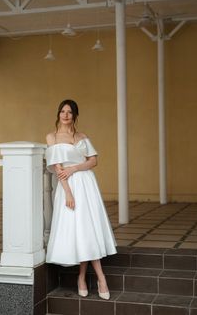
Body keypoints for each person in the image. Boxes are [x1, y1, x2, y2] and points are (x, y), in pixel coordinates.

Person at [45, 99, 117, 300]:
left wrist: (74, 168)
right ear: (58, 114)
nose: (65, 115)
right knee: (81, 230)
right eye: (62, 111)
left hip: (87, 185)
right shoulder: (52, 137)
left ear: (75, 115)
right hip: (69, 188)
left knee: (88, 229)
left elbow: (94, 160)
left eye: (69, 112)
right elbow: (58, 168)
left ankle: (83, 277)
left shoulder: (82, 136)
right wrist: (68, 193)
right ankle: (100, 278)